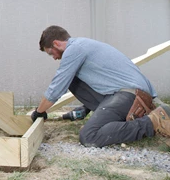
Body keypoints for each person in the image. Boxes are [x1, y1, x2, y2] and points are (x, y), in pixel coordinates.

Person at [31, 25, 170, 147]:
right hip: (129, 94)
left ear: (56, 43)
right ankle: (113, 116)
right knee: (71, 79)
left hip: (130, 95)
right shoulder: (84, 44)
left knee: (89, 136)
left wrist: (39, 111)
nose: (54, 58)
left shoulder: (74, 50)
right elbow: (103, 82)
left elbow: (56, 89)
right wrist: (85, 109)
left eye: (51, 53)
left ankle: (152, 122)